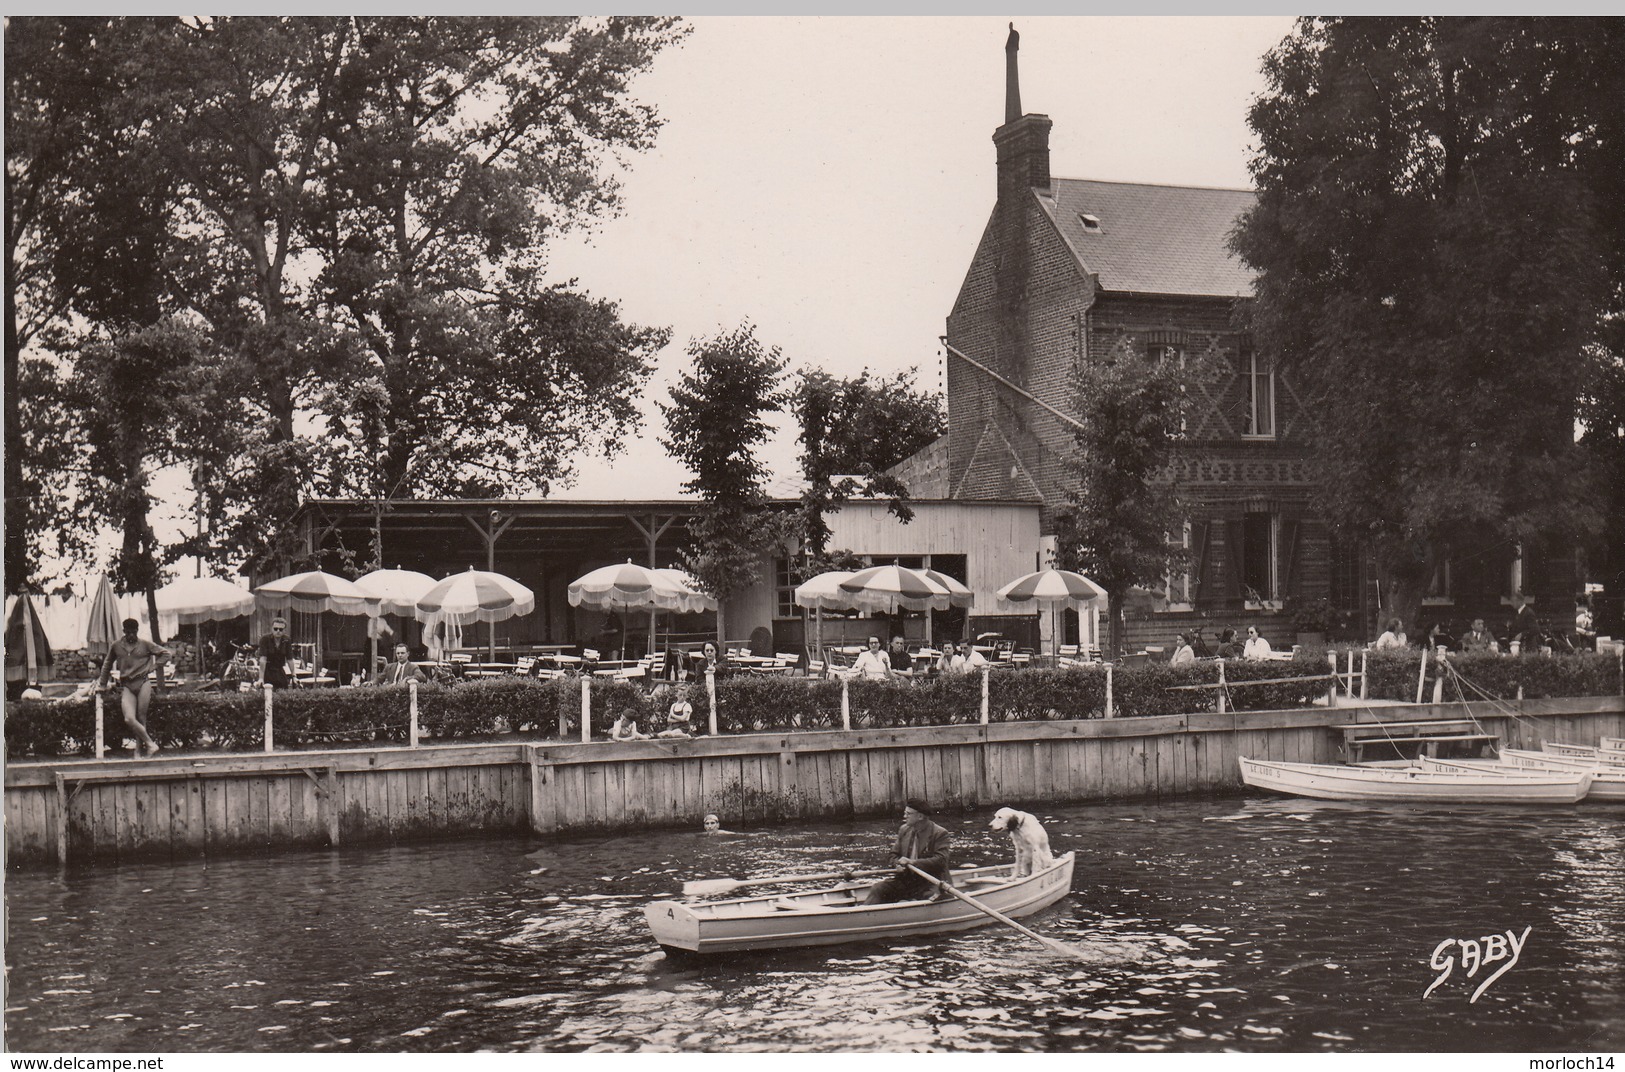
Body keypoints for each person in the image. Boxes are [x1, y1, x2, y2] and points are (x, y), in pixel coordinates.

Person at [97, 618, 170, 757]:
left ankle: (139, 750)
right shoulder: (116, 646)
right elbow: (107, 664)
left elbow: (166, 654)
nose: (131, 635)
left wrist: (155, 666)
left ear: (137, 631)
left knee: (141, 717)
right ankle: (150, 744)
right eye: (128, 632)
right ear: (124, 631)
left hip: (143, 682)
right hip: (127, 685)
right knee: (129, 718)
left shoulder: (145, 644)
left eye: (134, 632)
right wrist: (102, 684)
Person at [862, 798, 953, 905]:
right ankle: (865, 914)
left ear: (920, 816)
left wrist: (913, 862)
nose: (904, 816)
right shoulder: (904, 830)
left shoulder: (939, 833)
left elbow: (941, 860)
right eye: (905, 813)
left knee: (929, 898)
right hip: (906, 880)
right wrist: (897, 864)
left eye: (908, 814)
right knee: (878, 888)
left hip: (930, 882)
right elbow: (893, 855)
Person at [257, 616, 294, 689]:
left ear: (284, 631)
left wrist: (294, 676)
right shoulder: (265, 639)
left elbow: (290, 659)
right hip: (267, 671)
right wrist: (261, 678)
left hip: (280, 671)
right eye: (275, 629)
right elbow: (263, 659)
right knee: (268, 693)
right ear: (272, 629)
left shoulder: (287, 640)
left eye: (281, 629)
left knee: (283, 692)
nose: (278, 631)